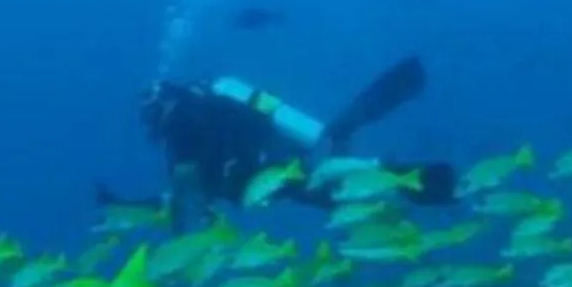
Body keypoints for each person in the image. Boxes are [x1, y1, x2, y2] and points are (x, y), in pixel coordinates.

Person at [102, 55, 457, 227]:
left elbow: (188, 185)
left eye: (151, 116)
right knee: (334, 177)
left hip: (266, 169)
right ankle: (408, 179)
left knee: (334, 192)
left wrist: (174, 216)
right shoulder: (200, 108)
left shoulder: (183, 126)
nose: (153, 125)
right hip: (272, 159)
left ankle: (417, 185)